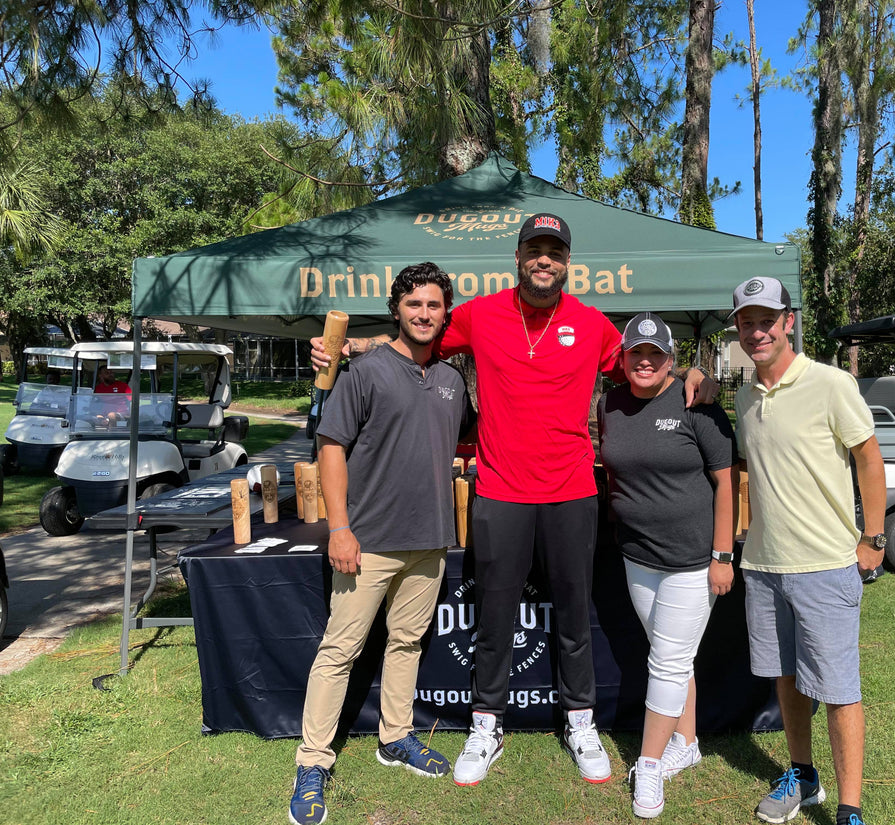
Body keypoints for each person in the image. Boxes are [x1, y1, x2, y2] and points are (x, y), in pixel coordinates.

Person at [311, 213, 717, 788]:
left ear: (567, 261)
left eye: (554, 250)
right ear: (519, 256)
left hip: (573, 492)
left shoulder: (594, 325)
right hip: (499, 491)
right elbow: (413, 343)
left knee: (575, 620)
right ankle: (487, 724)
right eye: (534, 248)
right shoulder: (480, 315)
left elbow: (643, 372)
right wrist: (347, 347)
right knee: (494, 619)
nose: (543, 259)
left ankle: (581, 722)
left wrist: (699, 373)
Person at [289, 263, 476, 825]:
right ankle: (312, 762)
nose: (424, 314)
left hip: (431, 539)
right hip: (367, 540)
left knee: (407, 642)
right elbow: (330, 447)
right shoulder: (367, 370)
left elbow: (459, 437)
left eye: (434, 306)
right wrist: (340, 528)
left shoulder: (449, 379)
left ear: (446, 312)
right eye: (414, 304)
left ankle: (395, 737)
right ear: (397, 308)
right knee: (339, 651)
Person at [731, 277, 886, 825]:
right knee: (787, 681)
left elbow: (869, 457)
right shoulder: (745, 396)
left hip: (826, 566)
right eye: (747, 322)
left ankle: (849, 808)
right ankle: (803, 776)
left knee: (840, 690)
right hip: (765, 568)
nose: (757, 332)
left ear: (788, 322)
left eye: (767, 320)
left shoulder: (831, 383)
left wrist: (873, 537)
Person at [596, 312, 735, 818]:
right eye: (637, 353)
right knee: (671, 654)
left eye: (656, 354)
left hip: (693, 560)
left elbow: (725, 481)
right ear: (624, 358)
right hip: (638, 556)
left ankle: (650, 765)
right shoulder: (609, 403)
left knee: (669, 660)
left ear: (672, 361)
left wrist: (723, 555)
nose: (646, 361)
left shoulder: (696, 401)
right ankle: (688, 742)